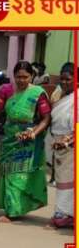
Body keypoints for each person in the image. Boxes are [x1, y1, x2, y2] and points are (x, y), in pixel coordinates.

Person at [0, 61, 51, 223]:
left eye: (25, 77)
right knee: (7, 172)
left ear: (32, 76)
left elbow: (46, 118)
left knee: (18, 174)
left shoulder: (37, 93)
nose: (21, 80)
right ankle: (12, 206)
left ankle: (13, 211)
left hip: (28, 140)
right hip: (9, 139)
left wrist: (33, 132)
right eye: (18, 77)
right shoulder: (7, 91)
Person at [48, 62, 75, 229]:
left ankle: (66, 214)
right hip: (58, 144)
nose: (64, 82)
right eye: (62, 79)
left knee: (69, 179)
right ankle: (63, 212)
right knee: (61, 179)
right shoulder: (60, 96)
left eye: (68, 79)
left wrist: (67, 140)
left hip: (70, 144)